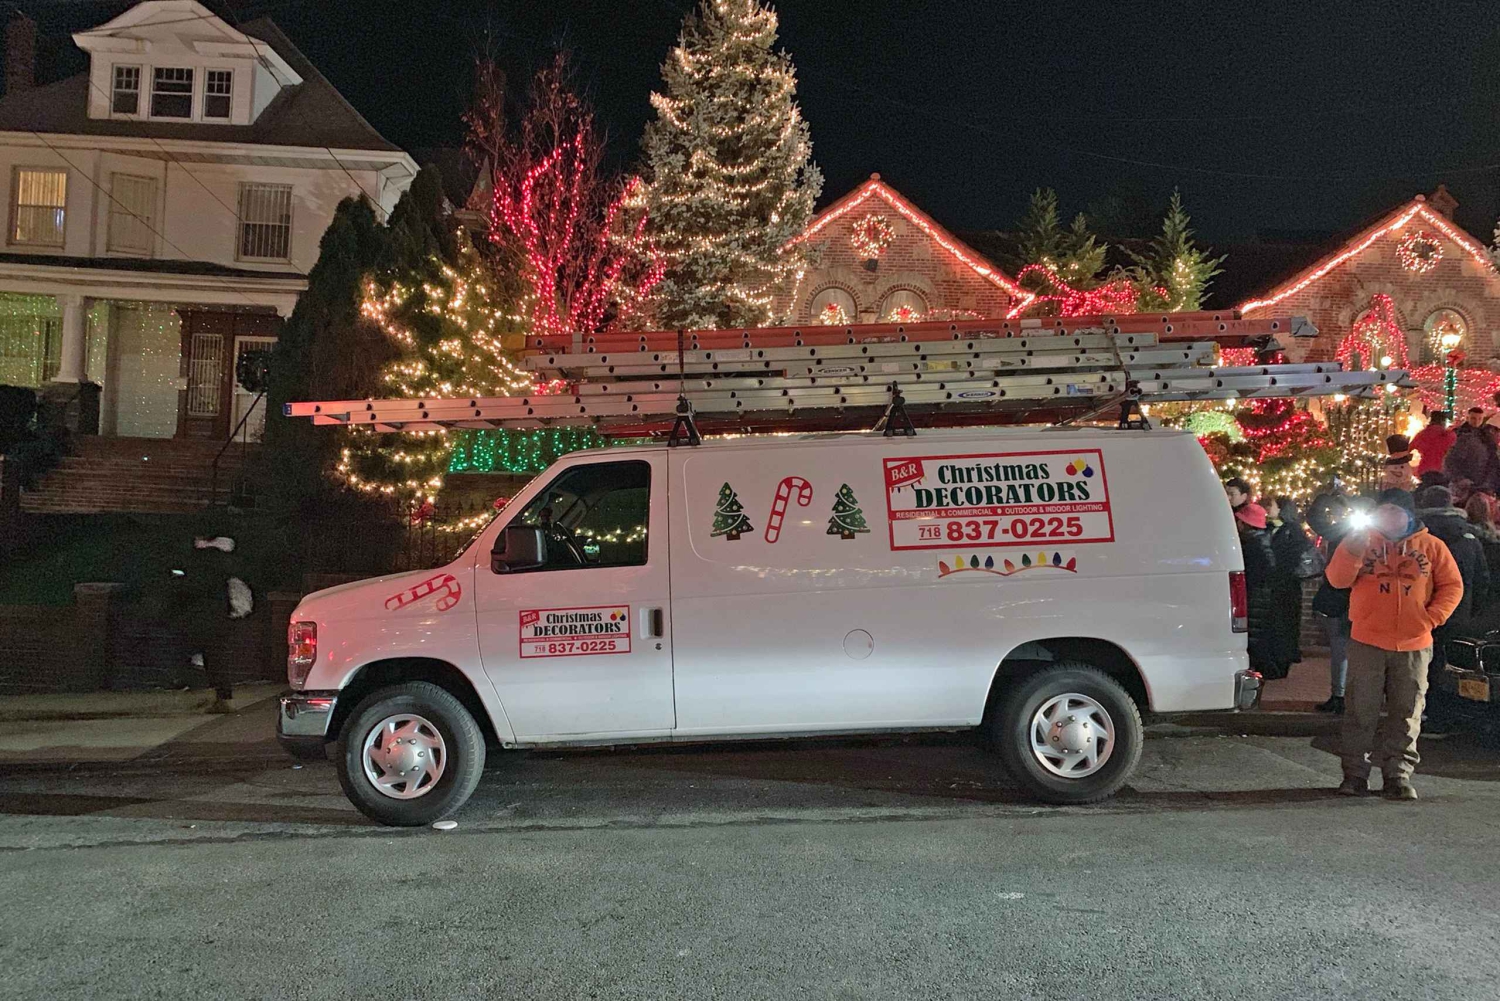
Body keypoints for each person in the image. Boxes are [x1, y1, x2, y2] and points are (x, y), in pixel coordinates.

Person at [1326, 488, 1464, 800]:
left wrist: (1432, 618)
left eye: (1394, 511)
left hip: (1414, 643)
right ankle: (1355, 774)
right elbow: (1337, 580)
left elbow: (1452, 586)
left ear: (1408, 514)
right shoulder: (1360, 541)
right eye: (1383, 510)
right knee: (1360, 710)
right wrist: (1353, 550)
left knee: (1407, 711)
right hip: (1368, 640)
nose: (1387, 516)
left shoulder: (1432, 546)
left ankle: (1398, 775)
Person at [1414, 484, 1489, 671]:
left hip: (1418, 610)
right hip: (1458, 610)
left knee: (1417, 667)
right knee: (1451, 667)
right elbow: (1482, 579)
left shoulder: (1413, 536)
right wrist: (1472, 609)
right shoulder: (1469, 536)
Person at [1306, 487, 1357, 713]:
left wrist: (1329, 497)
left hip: (1352, 596)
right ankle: (1342, 695)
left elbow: (1316, 519)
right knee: (1341, 647)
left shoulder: (1350, 532)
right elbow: (1316, 519)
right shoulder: (1346, 531)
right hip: (1345, 596)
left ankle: (1344, 696)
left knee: (1344, 648)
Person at [1227, 481, 1278, 676]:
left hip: (1254, 597)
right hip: (1261, 596)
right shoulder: (1262, 541)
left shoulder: (1251, 545)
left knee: (1253, 636)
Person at [1265, 496, 1317, 676]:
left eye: (1272, 505)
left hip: (1287, 584)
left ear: (1282, 509)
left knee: (1284, 622)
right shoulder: (1275, 528)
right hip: (1280, 583)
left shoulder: (1291, 530)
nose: (1268, 508)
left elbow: (1291, 556)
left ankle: (1283, 661)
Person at [1411, 411, 1454, 477]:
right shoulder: (1449, 435)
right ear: (1443, 422)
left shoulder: (1422, 434)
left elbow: (1409, 449)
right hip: (1442, 470)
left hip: (1424, 469)